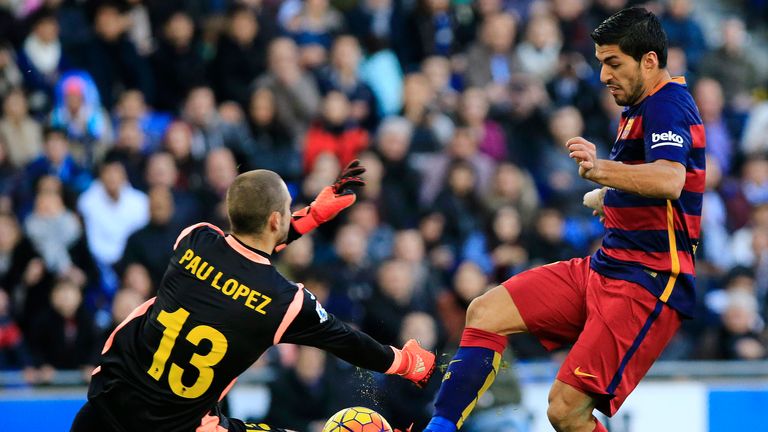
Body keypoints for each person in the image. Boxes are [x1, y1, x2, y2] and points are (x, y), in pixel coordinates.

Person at [424, 8, 705, 432]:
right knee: (486, 310)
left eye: (613, 63)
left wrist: (599, 170)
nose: (603, 75)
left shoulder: (667, 103)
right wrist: (610, 197)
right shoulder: (640, 107)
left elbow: (670, 180)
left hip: (646, 282)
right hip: (607, 266)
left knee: (565, 410)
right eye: (600, 63)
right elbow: (660, 193)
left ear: (649, 60)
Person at [70, 160, 435, 432]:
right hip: (175, 426)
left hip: (105, 406)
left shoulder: (194, 239)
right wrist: (404, 362)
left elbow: (244, 250)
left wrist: (307, 218)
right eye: (289, 208)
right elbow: (346, 340)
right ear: (277, 220)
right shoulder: (286, 302)